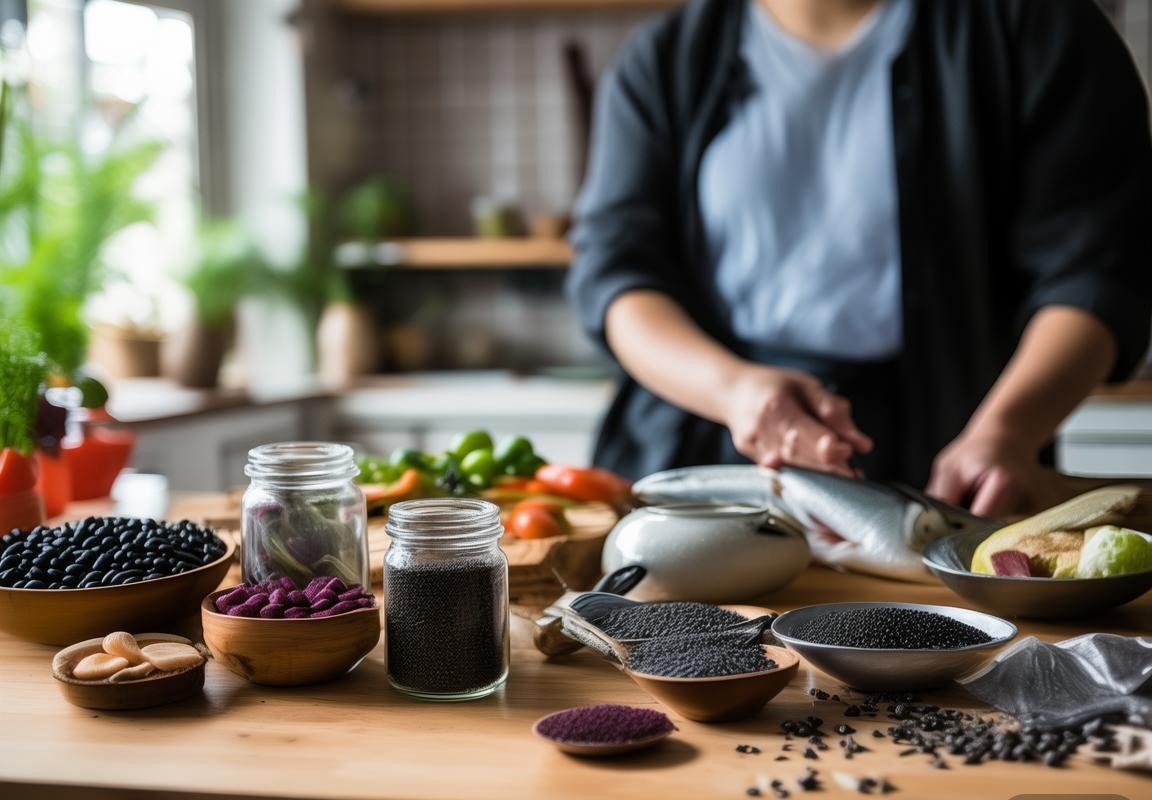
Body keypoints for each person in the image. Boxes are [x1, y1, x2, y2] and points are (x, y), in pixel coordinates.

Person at [567, 0, 1152, 517]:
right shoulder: (662, 61)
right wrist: (735, 392)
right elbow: (616, 273)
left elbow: (1095, 269)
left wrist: (1009, 431)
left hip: (959, 450)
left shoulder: (1038, 25)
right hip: (705, 444)